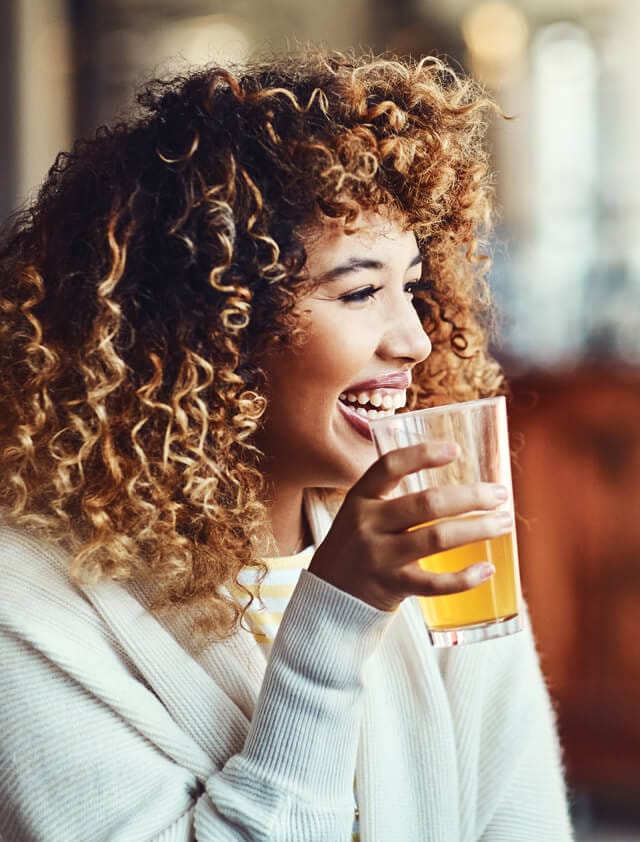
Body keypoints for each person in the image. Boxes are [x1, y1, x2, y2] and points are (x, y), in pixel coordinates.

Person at [0, 49, 573, 841]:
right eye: (360, 290)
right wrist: (334, 619)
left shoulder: (426, 542)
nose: (413, 338)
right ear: (210, 327)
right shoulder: (26, 605)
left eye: (411, 285)